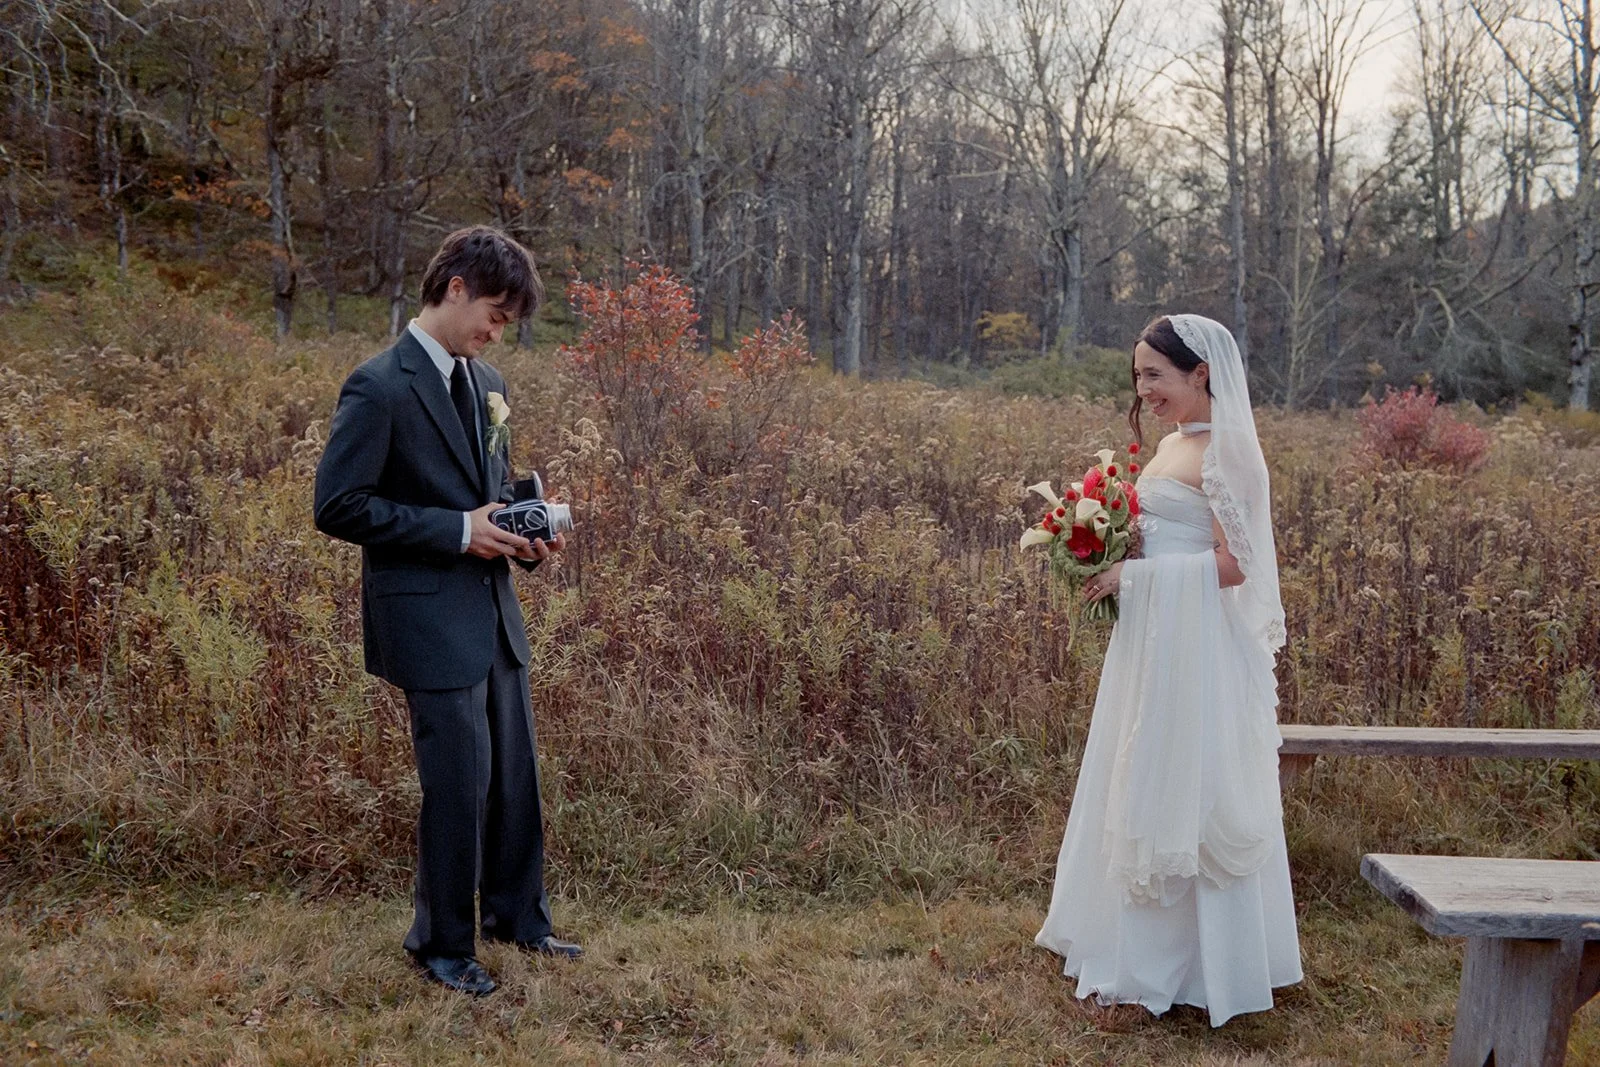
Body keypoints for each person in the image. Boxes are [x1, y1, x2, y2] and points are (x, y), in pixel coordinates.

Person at [314, 225, 581, 997]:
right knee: (459, 783)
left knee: (514, 778)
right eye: (494, 314)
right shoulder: (378, 385)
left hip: (494, 613)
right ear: (455, 287)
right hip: (426, 618)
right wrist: (459, 531)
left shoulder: (488, 379)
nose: (497, 332)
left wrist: (523, 535)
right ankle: (441, 944)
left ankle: (518, 920)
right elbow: (338, 504)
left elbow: (486, 494)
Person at [1033, 314, 1302, 1026]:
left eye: (1154, 374)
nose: (1142, 388)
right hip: (1153, 641)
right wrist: (1103, 546)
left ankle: (1192, 967)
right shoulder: (1170, 445)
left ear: (1200, 373)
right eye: (1137, 375)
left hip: (1198, 648)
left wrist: (1136, 577)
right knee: (1135, 766)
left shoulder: (1230, 453)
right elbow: (1159, 534)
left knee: (1188, 781)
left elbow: (1235, 565)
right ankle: (1124, 944)